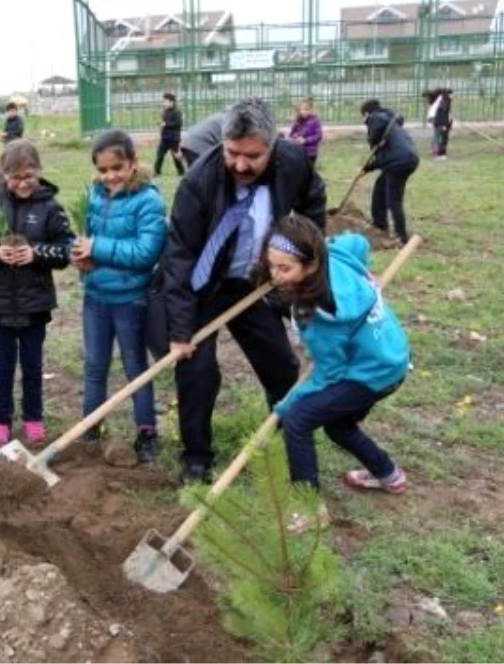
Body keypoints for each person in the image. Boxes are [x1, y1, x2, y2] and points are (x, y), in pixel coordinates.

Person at [160, 97, 326, 484]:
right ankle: (197, 456)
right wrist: (181, 331)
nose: (239, 164)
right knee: (197, 371)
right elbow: (180, 256)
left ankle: (290, 435)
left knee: (282, 366)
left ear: (272, 145)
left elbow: (313, 203)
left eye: (252, 156)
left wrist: (305, 254)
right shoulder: (198, 182)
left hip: (254, 283)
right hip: (205, 285)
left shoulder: (294, 162)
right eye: (232, 153)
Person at [258, 217, 411, 530]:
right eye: (271, 265)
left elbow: (330, 374)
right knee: (338, 425)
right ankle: (388, 475)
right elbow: (358, 242)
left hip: (370, 373)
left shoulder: (319, 314)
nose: (274, 276)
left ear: (312, 264)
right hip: (391, 356)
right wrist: (364, 269)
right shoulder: (336, 254)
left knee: (299, 420)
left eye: (284, 269)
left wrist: (286, 406)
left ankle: (309, 508)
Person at [0, 140, 75, 446]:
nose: (23, 183)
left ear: (39, 172)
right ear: (2, 174)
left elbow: (66, 250)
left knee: (34, 364)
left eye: (29, 176)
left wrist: (35, 253)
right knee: (3, 363)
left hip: (35, 303)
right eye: (16, 177)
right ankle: (0, 421)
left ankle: (34, 418)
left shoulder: (51, 208)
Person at [71, 130, 167, 461]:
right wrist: (81, 259)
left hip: (130, 299)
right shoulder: (93, 197)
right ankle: (92, 425)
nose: (110, 176)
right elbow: (85, 239)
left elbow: (146, 252)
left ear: (133, 163)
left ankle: (147, 431)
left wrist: (97, 248)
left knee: (134, 366)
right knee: (95, 365)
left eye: (117, 167)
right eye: (103, 170)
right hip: (96, 297)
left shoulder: (148, 200)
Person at [360, 99, 419, 246]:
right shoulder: (389, 120)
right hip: (409, 158)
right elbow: (383, 154)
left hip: (399, 162)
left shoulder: (376, 119)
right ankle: (380, 225)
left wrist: (367, 167)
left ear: (366, 113)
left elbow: (381, 153)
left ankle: (402, 236)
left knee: (394, 199)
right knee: (380, 189)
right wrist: (368, 166)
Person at [155, 92, 186, 177]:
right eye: (163, 101)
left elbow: (178, 123)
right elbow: (164, 122)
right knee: (159, 155)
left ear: (171, 102)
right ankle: (157, 171)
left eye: (165, 101)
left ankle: (181, 172)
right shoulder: (165, 111)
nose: (164, 103)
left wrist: (166, 124)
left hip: (174, 138)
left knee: (176, 157)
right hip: (165, 138)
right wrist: (161, 125)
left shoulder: (177, 112)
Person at [287, 99, 323, 169]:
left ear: (311, 110)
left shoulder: (315, 121)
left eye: (307, 109)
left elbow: (318, 136)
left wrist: (306, 140)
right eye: (302, 109)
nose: (304, 112)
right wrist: (295, 136)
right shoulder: (298, 121)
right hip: (299, 151)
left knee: (308, 171)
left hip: (310, 152)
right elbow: (291, 134)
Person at [424, 88, 453, 160]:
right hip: (438, 119)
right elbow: (443, 113)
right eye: (452, 94)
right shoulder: (444, 100)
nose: (453, 96)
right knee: (440, 136)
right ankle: (438, 151)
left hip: (436, 118)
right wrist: (445, 123)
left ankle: (435, 149)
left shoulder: (441, 99)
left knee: (437, 135)